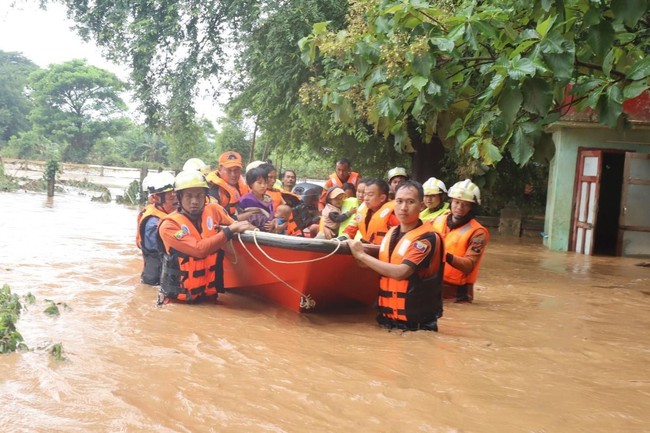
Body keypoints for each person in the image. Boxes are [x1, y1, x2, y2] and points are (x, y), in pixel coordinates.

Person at [348, 181, 444, 331]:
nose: (403, 207)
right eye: (399, 201)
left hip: (415, 326)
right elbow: (375, 265)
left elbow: (401, 272)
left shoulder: (427, 238)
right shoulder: (391, 233)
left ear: (421, 205)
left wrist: (361, 255)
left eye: (410, 202)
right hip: (387, 320)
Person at [157, 170, 253, 304]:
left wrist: (253, 229)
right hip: (179, 301)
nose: (195, 201)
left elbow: (237, 224)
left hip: (208, 297)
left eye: (199, 196)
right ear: (179, 197)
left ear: (205, 196)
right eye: (189, 196)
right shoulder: (169, 225)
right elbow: (199, 250)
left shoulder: (214, 210)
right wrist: (228, 232)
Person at [430, 179, 489, 302]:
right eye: (456, 202)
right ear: (451, 202)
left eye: (465, 204)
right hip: (433, 286)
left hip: (457, 293)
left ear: (472, 207)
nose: (459, 207)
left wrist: (444, 255)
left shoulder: (478, 232)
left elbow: (469, 265)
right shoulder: (438, 220)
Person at [136, 171, 178, 285]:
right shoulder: (153, 223)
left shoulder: (167, 215)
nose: (176, 201)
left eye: (177, 195)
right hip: (156, 280)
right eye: (171, 197)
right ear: (156, 198)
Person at [339, 179, 399, 245]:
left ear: (382, 198)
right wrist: (343, 238)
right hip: (365, 248)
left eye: (370, 195)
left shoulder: (393, 215)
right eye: (365, 194)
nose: (365, 198)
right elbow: (351, 229)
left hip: (382, 251)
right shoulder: (362, 212)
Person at [206, 150, 249, 218]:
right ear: (220, 170)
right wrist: (239, 218)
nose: (233, 174)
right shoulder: (213, 190)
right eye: (229, 170)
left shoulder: (241, 184)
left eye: (236, 170)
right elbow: (214, 218)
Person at [237, 166, 276, 232]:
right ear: (251, 184)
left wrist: (273, 223)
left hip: (268, 234)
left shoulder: (268, 199)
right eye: (259, 183)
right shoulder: (245, 200)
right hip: (250, 234)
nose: (263, 186)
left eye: (265, 183)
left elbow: (272, 216)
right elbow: (238, 218)